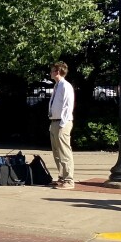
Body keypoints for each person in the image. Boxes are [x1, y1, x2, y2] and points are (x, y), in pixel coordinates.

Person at [48, 61, 75, 189]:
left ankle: (69, 180)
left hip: (62, 122)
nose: (50, 73)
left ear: (57, 72)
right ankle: (62, 176)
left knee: (64, 151)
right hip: (54, 121)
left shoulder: (65, 86)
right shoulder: (57, 86)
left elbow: (67, 106)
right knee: (56, 151)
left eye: (52, 70)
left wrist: (62, 124)